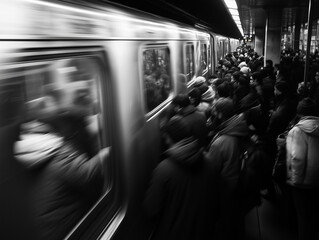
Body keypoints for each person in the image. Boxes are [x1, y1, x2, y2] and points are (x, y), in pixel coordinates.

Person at [14, 81, 110, 240]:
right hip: (69, 226)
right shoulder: (55, 150)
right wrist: (107, 153)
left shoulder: (35, 148)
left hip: (52, 227)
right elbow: (87, 175)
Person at [143, 116, 217, 240]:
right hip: (205, 230)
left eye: (165, 137)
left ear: (170, 138)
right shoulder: (209, 161)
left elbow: (151, 209)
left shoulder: (163, 170)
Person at [204, 97, 250, 240]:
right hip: (236, 183)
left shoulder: (221, 142)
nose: (212, 117)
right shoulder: (238, 128)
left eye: (215, 113)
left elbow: (211, 170)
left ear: (220, 115)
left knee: (226, 223)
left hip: (225, 188)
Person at [286, 97, 319, 240]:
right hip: (317, 179)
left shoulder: (297, 131)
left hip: (302, 181)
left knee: (303, 218)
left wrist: (296, 181)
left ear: (300, 112)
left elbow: (297, 158)